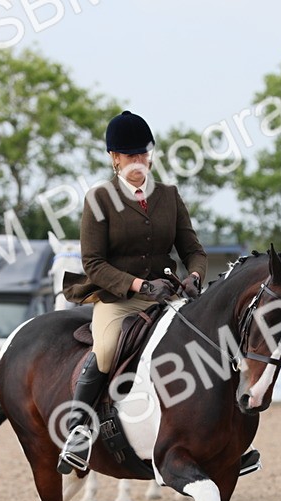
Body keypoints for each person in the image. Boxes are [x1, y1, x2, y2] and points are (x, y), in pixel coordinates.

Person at [56, 111, 208, 474]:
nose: (138, 162)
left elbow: (193, 250)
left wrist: (196, 276)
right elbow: (93, 263)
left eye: (144, 154)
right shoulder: (100, 200)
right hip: (118, 299)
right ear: (114, 159)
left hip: (168, 295)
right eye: (130, 156)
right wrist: (138, 285)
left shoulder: (168, 196)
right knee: (106, 350)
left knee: (210, 340)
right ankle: (78, 430)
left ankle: (222, 435)